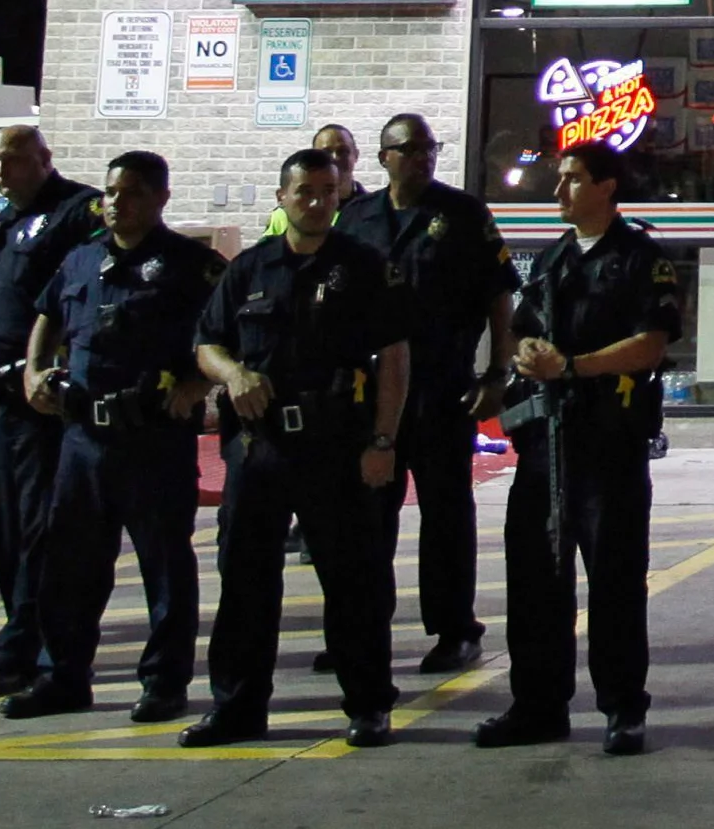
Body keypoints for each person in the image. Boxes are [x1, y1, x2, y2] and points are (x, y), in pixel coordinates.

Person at [189, 146, 411, 747]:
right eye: (305, 192)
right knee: (244, 583)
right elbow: (206, 343)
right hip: (260, 451)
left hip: (336, 446)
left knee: (352, 584)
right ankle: (236, 708)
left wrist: (384, 441)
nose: (316, 202)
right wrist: (234, 374)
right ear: (281, 197)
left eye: (327, 192)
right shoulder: (250, 269)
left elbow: (393, 357)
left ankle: (368, 705)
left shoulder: (364, 266)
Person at [5, 151, 225, 722]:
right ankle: (64, 676)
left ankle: (164, 684)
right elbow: (48, 315)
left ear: (160, 199)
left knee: (165, 569)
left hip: (151, 439)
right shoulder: (80, 260)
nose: (116, 204)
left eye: (130, 194)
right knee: (71, 568)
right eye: (109, 193)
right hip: (82, 440)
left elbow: (228, 336)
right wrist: (34, 369)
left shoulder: (190, 267)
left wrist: (198, 385)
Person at [480, 140, 683, 756]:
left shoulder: (641, 260)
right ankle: (537, 704)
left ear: (606, 187)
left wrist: (572, 366)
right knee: (536, 581)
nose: (559, 191)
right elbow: (523, 335)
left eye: (572, 180)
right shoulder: (551, 262)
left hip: (609, 443)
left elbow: (651, 343)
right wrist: (530, 358)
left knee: (616, 582)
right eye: (560, 179)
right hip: (547, 444)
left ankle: (623, 709)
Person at [336, 110, 515, 678]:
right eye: (408, 149)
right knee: (367, 516)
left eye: (428, 148)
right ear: (384, 156)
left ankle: (455, 630)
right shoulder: (356, 217)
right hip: (370, 396)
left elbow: (499, 299)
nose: (420, 157)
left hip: (440, 388)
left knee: (445, 514)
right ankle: (364, 629)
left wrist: (496, 375)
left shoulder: (462, 214)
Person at [0, 127, 99, 702]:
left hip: (40, 400)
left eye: (13, 161)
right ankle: (19, 632)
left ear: (45, 160)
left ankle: (28, 649)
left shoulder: (74, 211)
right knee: (7, 526)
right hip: (0, 398)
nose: (0, 171)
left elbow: (79, 295)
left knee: (42, 531)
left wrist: (50, 367)